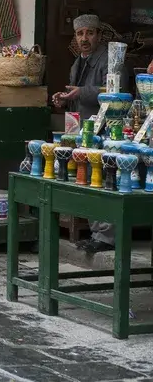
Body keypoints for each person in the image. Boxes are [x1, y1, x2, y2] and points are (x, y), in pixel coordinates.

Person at [53, 14, 128, 254]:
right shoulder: (78, 62)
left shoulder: (110, 59)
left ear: (98, 35)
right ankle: (97, 234)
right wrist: (63, 100)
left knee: (103, 181)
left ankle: (106, 237)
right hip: (82, 130)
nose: (84, 38)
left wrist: (79, 93)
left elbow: (116, 88)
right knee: (87, 181)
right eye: (80, 34)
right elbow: (76, 94)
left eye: (90, 33)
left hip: (105, 129)